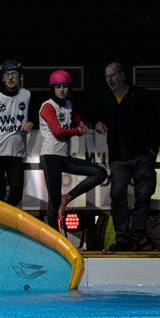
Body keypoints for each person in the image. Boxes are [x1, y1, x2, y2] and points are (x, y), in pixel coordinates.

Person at [92, 62, 160, 251]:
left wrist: (153, 148)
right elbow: (95, 115)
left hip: (142, 155)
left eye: (113, 75)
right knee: (117, 195)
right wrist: (97, 122)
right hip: (119, 158)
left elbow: (155, 121)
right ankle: (122, 238)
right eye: (107, 77)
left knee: (143, 196)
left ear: (122, 76)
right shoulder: (105, 98)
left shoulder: (140, 95)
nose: (110, 80)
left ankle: (136, 238)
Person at [36, 70, 107, 230]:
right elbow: (58, 132)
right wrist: (77, 131)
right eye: (58, 87)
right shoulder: (47, 106)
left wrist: (81, 124)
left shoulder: (68, 105)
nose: (62, 90)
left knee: (100, 173)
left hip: (64, 157)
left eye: (65, 86)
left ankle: (67, 197)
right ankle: (53, 239)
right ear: (53, 88)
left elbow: (76, 118)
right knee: (54, 201)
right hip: (50, 156)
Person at [0, 59, 33, 209]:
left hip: (16, 153)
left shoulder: (27, 95)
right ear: (2, 78)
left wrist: (31, 122)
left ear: (20, 76)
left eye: (14, 74)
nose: (10, 78)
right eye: (7, 75)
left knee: (16, 193)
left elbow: (35, 115)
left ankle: (1, 215)